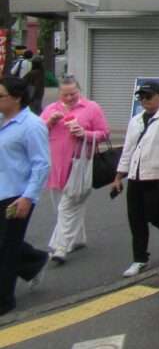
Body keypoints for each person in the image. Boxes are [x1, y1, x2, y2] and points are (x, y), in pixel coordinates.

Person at [40, 76, 110, 264]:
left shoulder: (91, 108)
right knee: (61, 207)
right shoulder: (50, 110)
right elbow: (37, 133)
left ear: (79, 91)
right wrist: (49, 123)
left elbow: (104, 133)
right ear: (59, 93)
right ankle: (77, 239)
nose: (69, 98)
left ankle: (59, 247)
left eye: (73, 93)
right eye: (65, 94)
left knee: (68, 206)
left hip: (80, 164)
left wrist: (84, 133)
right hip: (55, 164)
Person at [0, 74, 51, 316]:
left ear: (17, 98)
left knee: (5, 248)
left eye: (1, 96)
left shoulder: (32, 125)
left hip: (16, 195)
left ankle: (5, 300)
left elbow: (41, 165)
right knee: (7, 243)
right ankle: (35, 260)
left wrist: (28, 197)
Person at [113, 83, 159, 277]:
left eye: (149, 97)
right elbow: (128, 149)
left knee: (154, 214)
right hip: (135, 176)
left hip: (155, 176)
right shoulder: (136, 120)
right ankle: (140, 259)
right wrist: (119, 176)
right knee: (136, 218)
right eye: (141, 98)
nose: (145, 101)